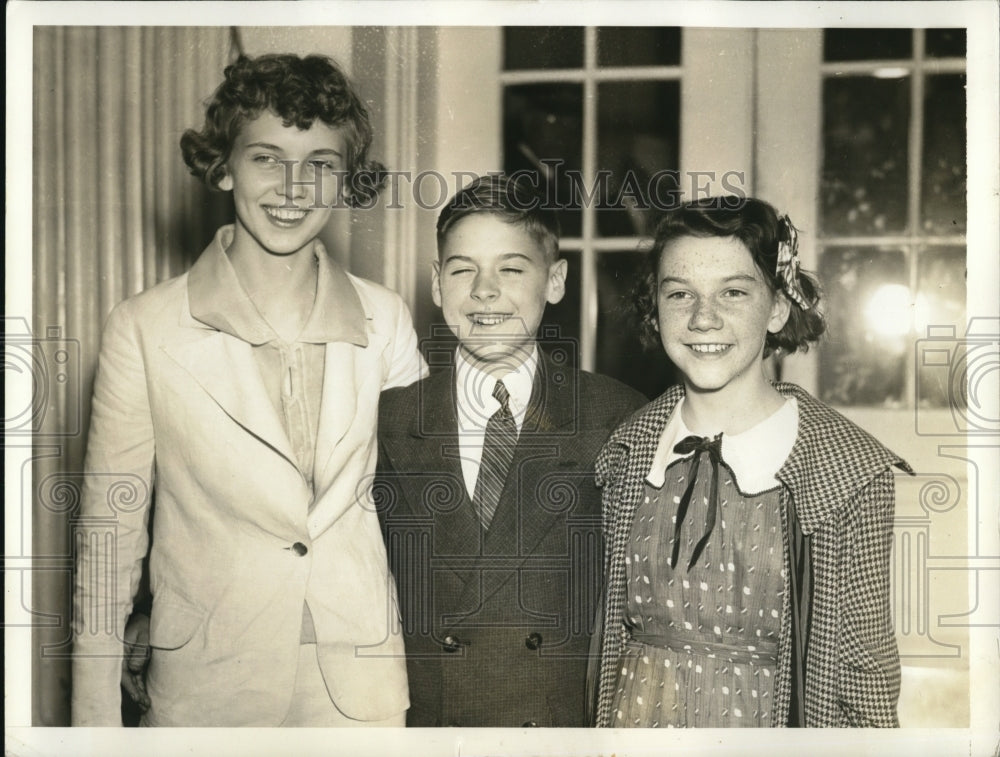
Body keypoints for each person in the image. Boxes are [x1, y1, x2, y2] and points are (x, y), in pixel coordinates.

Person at [71, 53, 426, 727]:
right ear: (225, 166)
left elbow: (420, 511)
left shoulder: (386, 319)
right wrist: (93, 728)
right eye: (267, 157)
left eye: (321, 163)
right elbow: (107, 537)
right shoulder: (144, 327)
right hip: (206, 691)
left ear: (345, 178)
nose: (293, 186)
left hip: (361, 696)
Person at [593, 197, 911, 728]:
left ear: (778, 307)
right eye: (680, 293)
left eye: (734, 292)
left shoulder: (848, 471)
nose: (703, 318)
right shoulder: (625, 455)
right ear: (655, 309)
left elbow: (865, 675)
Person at [375, 174, 647, 727]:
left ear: (556, 281)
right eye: (462, 269)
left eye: (511, 269)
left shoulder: (615, 416)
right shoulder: (390, 418)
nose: (484, 290)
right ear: (436, 284)